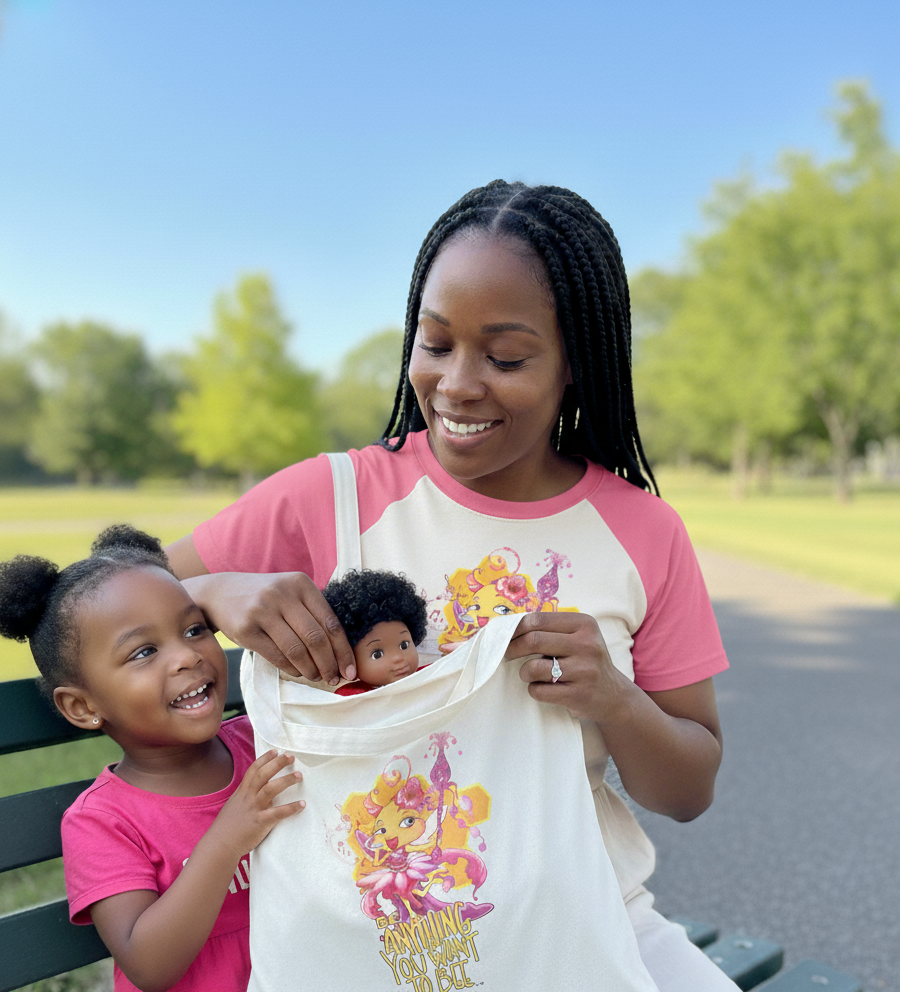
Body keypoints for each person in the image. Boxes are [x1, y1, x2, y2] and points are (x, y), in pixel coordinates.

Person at [166, 180, 737, 991]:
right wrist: (213, 590)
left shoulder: (642, 532)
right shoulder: (333, 497)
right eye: (436, 345)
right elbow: (114, 589)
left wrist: (614, 697)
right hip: (355, 949)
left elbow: (689, 790)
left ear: (576, 361)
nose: (459, 385)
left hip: (587, 927)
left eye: (505, 357)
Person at [0, 525, 306, 992]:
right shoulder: (102, 821)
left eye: (195, 629)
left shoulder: (260, 740)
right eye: (144, 651)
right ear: (83, 707)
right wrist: (227, 839)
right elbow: (149, 965)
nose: (187, 656)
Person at [321, 568, 428, 694]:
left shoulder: (429, 678)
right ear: (348, 660)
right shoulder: (352, 699)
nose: (398, 658)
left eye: (404, 645)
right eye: (377, 654)